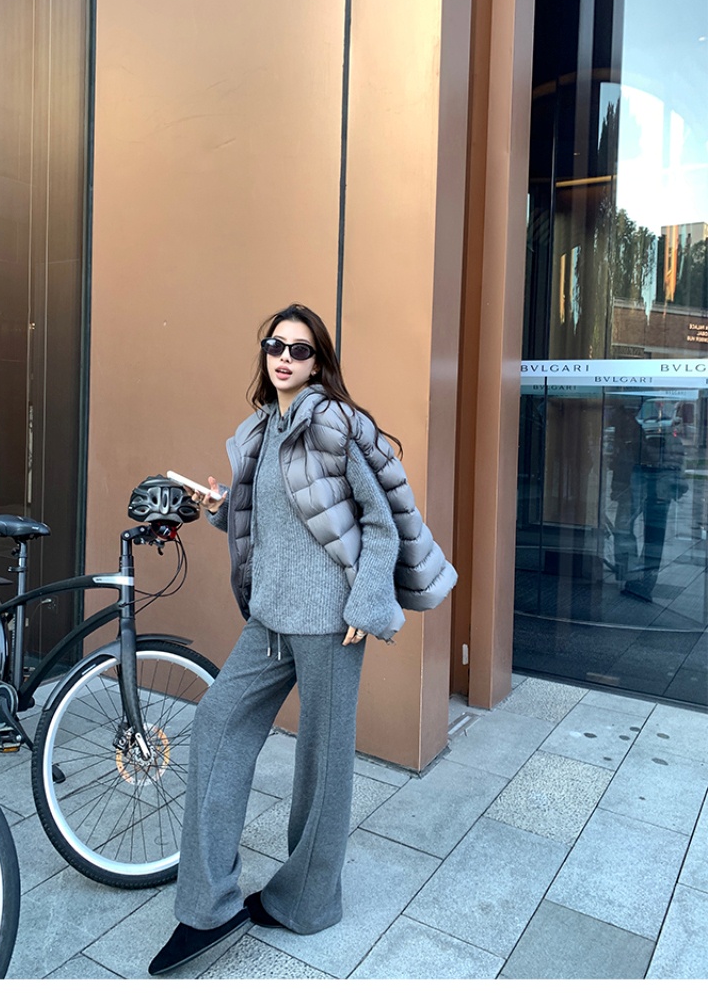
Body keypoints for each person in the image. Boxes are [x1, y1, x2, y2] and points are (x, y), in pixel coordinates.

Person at [149, 298, 455, 976]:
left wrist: (367, 600)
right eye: (275, 345)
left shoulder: (333, 422)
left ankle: (308, 902)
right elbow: (276, 520)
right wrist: (221, 508)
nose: (284, 358)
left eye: (300, 349)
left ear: (319, 363)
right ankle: (207, 906)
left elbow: (380, 521)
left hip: (331, 622)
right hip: (269, 617)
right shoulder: (261, 429)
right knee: (217, 723)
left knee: (322, 762)